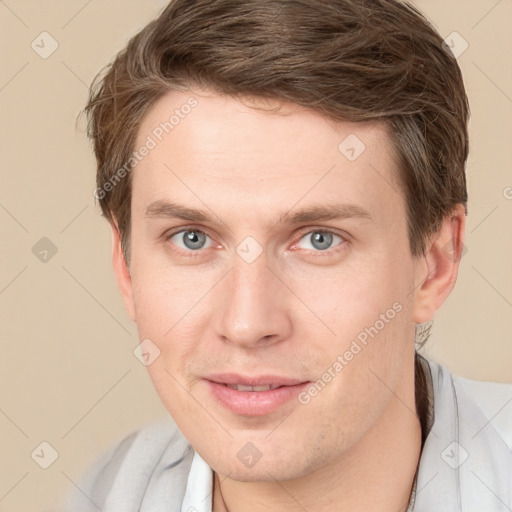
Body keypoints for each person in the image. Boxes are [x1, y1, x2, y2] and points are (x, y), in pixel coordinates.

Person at [59, 0, 512, 510]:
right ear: (126, 268)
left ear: (435, 263)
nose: (248, 324)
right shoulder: (98, 495)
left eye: (320, 239)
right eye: (192, 238)